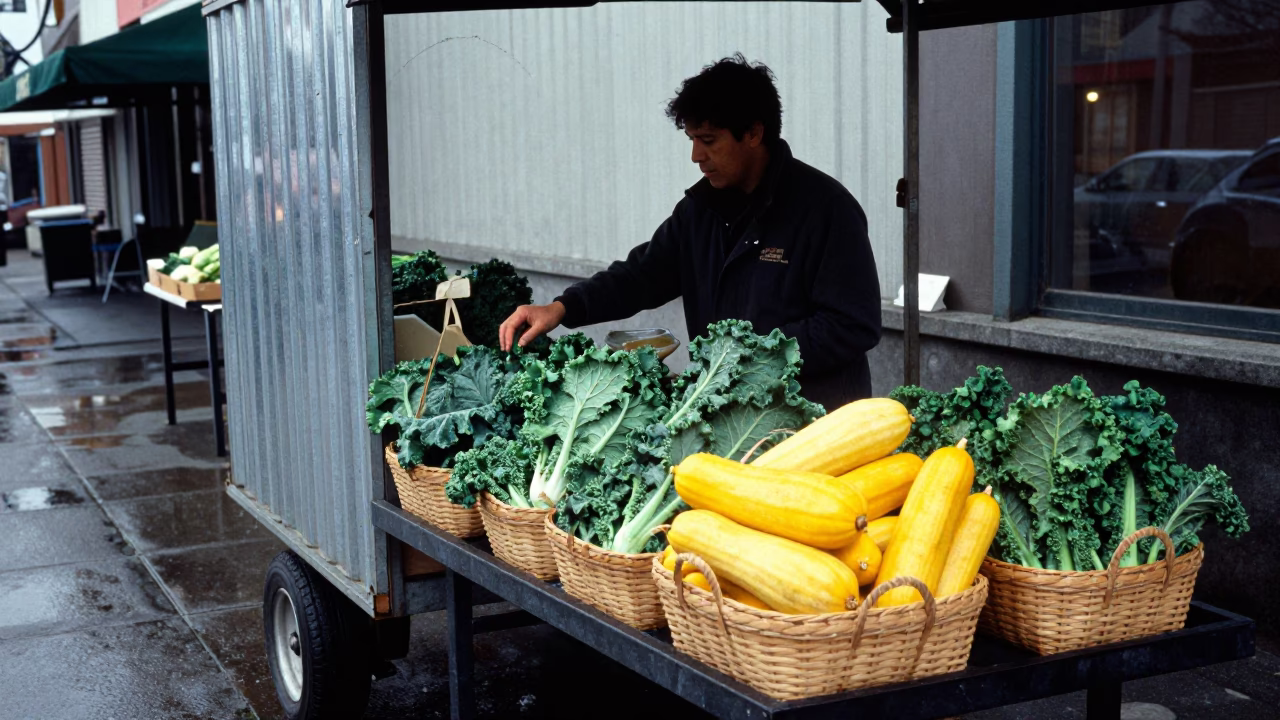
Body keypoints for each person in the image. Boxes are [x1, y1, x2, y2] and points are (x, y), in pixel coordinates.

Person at [499, 54, 881, 409]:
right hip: (727, 415)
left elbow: (852, 325)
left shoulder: (826, 209)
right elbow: (640, 277)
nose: (696, 156)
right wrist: (563, 307)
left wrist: (748, 359)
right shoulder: (699, 212)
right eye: (693, 140)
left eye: (709, 141)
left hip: (812, 422)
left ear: (753, 133)